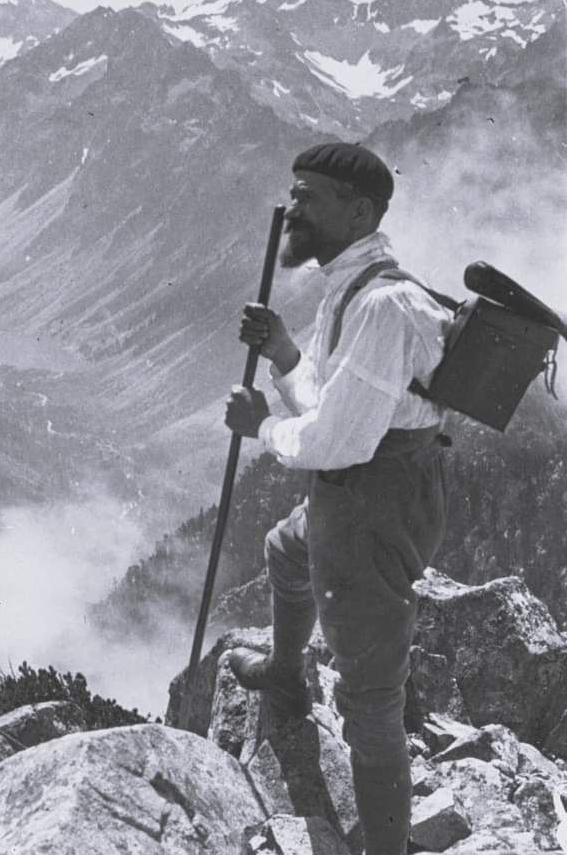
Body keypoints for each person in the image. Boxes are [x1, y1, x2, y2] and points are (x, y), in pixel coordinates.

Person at [223, 143, 452, 855]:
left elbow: (337, 441)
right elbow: (334, 403)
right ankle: (286, 677)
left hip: (369, 504)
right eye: (294, 193)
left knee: (369, 697)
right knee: (284, 550)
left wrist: (260, 426)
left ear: (357, 212)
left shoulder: (382, 305)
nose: (293, 208)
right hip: (368, 489)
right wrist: (285, 355)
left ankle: (386, 848)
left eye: (308, 196)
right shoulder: (357, 284)